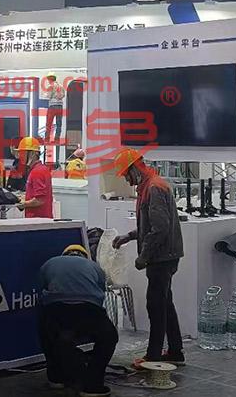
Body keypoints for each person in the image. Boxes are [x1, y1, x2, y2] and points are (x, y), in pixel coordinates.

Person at [112, 148, 185, 366]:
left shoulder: (153, 188)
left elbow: (160, 229)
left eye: (126, 175)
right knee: (165, 303)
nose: (127, 180)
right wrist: (129, 236)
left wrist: (143, 256)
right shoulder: (150, 186)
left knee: (155, 306)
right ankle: (175, 351)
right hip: (166, 255)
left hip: (161, 258)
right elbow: (151, 226)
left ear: (134, 168)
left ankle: (153, 356)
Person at [38, 244, 118, 397]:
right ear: (84, 256)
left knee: (50, 333)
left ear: (65, 254)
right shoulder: (94, 266)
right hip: (89, 309)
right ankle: (93, 385)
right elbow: (101, 290)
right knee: (109, 337)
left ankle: (56, 378)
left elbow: (41, 289)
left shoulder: (50, 263)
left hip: (56, 309)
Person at [17, 137, 54, 218]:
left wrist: (23, 204)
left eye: (23, 153)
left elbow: (40, 200)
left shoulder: (37, 172)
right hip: (41, 219)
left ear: (33, 154)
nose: (20, 156)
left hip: (37, 219)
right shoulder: (41, 169)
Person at [45, 72, 66, 144]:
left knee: (49, 124)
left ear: (50, 79)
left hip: (52, 106)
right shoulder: (61, 86)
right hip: (60, 106)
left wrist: (45, 94)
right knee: (59, 124)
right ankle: (57, 140)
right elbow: (63, 95)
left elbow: (48, 96)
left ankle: (47, 140)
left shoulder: (50, 86)